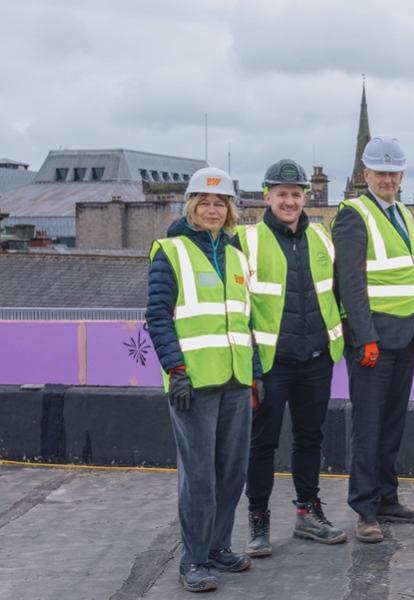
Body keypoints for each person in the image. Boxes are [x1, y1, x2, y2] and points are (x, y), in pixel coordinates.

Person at [146, 167, 260, 592]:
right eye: (205, 202)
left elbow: (246, 322)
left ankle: (217, 547)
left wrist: (256, 375)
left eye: (220, 203)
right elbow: (157, 317)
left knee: (231, 472)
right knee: (199, 476)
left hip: (235, 379)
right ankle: (193, 560)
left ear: (230, 210)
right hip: (192, 383)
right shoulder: (170, 251)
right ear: (191, 206)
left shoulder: (235, 256)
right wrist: (176, 370)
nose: (212, 209)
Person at [239, 159, 346, 557]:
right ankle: (258, 519)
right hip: (270, 363)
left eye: (296, 194)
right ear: (267, 196)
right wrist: (249, 365)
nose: (289, 201)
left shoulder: (321, 238)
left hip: (316, 359)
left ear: (306, 197)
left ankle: (307, 512)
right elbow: (238, 306)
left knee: (309, 437)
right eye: (281, 194)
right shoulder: (246, 240)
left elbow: (337, 292)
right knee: (261, 444)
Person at [333, 137, 414, 544]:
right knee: (368, 428)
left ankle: (387, 498)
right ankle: (365, 509)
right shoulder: (354, 215)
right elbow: (351, 283)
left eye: (394, 173)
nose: (388, 179)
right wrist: (364, 336)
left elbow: (412, 275)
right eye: (380, 173)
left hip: (404, 336)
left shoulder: (403, 213)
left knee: (391, 425)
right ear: (365, 175)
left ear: (402, 175)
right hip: (373, 340)